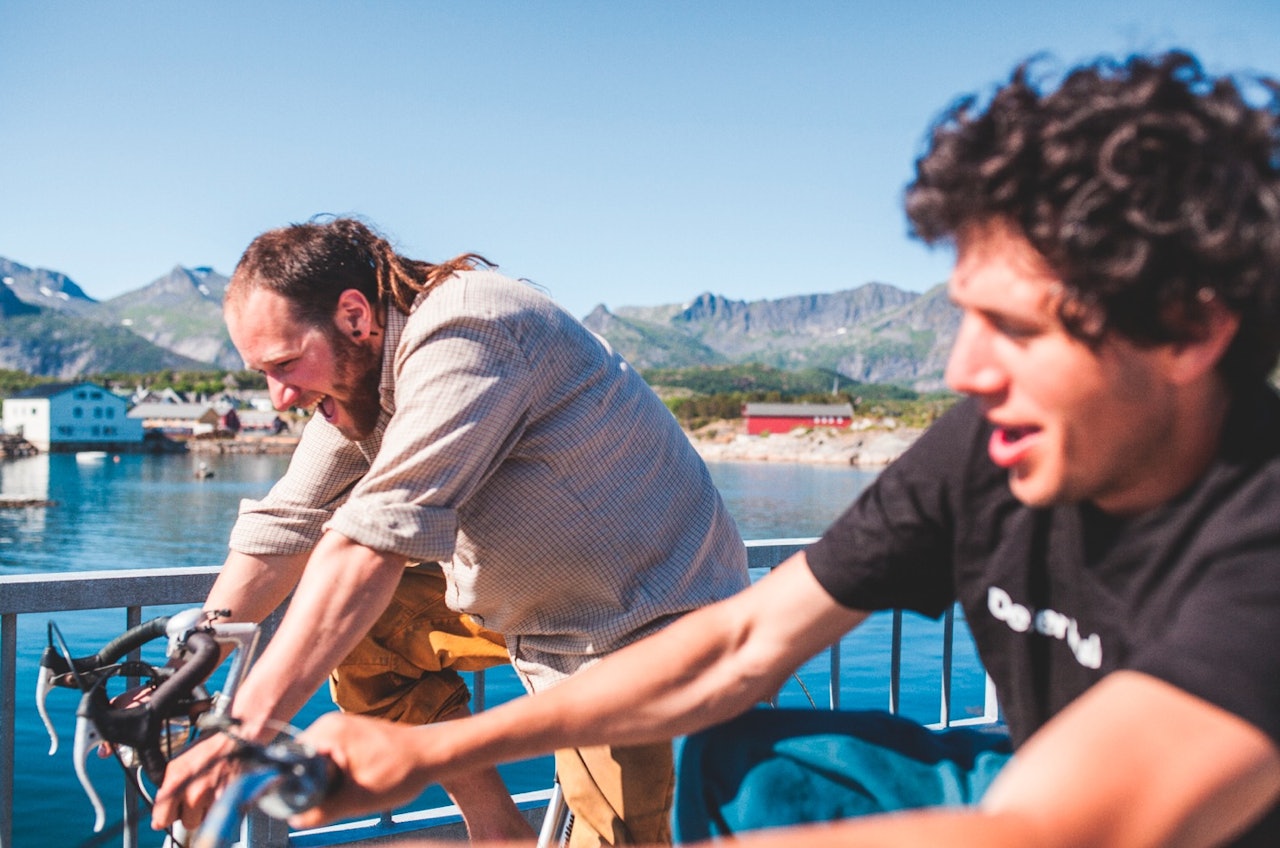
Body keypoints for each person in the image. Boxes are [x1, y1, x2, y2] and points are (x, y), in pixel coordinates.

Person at [289, 50, 1280, 847]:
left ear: (1187, 330)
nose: (964, 370)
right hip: (1034, 788)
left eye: (1018, 329)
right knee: (748, 759)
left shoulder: (1258, 537)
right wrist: (429, 750)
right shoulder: (985, 453)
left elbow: (1064, 824)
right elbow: (739, 641)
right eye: (963, 318)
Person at [150, 217, 750, 845]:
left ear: (354, 315)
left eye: (286, 364)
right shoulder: (361, 378)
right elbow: (287, 521)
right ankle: (498, 831)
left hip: (644, 637)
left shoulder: (469, 330)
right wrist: (183, 673)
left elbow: (368, 545)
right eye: (262, 374)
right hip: (532, 613)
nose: (279, 397)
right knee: (366, 639)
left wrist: (241, 733)